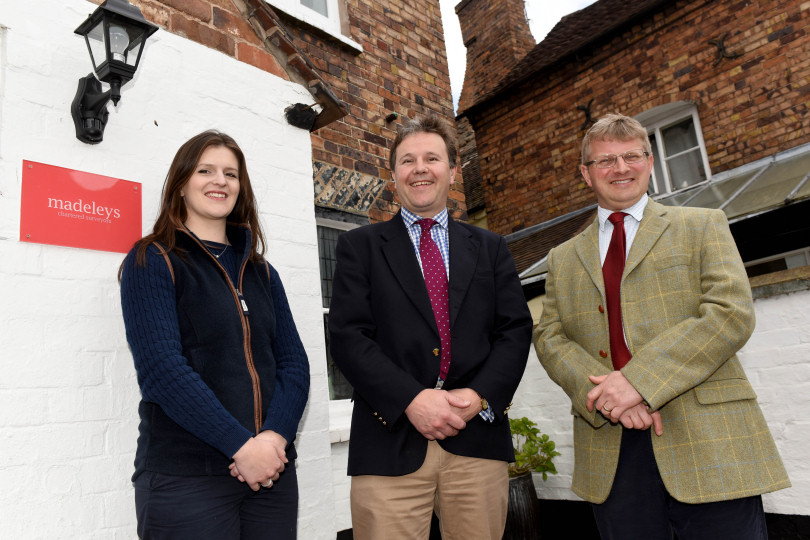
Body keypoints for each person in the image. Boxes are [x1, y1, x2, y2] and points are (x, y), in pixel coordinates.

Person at [534, 113, 790, 540]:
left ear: (650, 163)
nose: (620, 168)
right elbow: (549, 336)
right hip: (611, 447)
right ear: (586, 173)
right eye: (605, 160)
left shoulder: (702, 225)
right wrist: (608, 396)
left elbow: (730, 312)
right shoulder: (562, 258)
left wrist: (638, 381)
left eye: (632, 156)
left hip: (710, 440)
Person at [328, 115, 533, 539]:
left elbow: (514, 331)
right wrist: (411, 399)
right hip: (389, 442)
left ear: (453, 171)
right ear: (394, 175)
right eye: (407, 160)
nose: (419, 168)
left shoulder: (491, 248)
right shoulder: (358, 247)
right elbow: (349, 336)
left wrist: (478, 397)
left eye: (432, 158)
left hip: (476, 440)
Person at [119, 130, 310, 539]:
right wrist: (241, 447)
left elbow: (293, 363)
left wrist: (274, 440)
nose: (219, 181)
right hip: (187, 477)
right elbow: (162, 371)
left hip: (271, 475)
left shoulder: (262, 272)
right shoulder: (153, 260)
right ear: (181, 184)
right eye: (205, 170)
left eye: (231, 173)